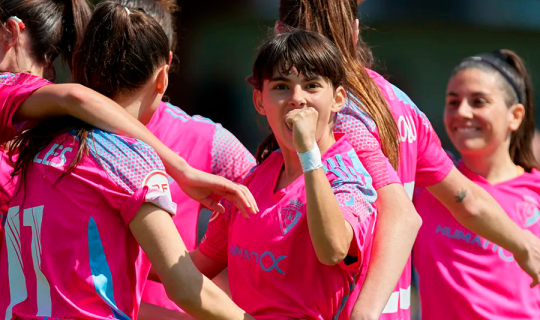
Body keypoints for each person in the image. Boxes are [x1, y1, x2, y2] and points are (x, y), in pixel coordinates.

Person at [277, 1, 540, 319]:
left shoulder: (332, 114)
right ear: (356, 31)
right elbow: (466, 199)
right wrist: (522, 243)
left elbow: (401, 215)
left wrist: (364, 313)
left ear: (280, 35)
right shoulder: (400, 103)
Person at [0, 2, 255, 319]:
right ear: (162, 78)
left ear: (80, 64)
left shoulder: (31, 146)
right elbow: (186, 288)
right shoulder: (129, 158)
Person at [188, 29, 379, 320]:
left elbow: (333, 250)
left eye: (312, 86)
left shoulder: (348, 177)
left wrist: (308, 151)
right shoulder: (258, 175)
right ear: (260, 101)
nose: (297, 99)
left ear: (338, 99)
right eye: (281, 87)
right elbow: (201, 264)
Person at [413, 49, 540, 319]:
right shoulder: (427, 182)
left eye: (479, 102)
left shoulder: (536, 193)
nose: (462, 112)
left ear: (515, 116)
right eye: (453, 101)